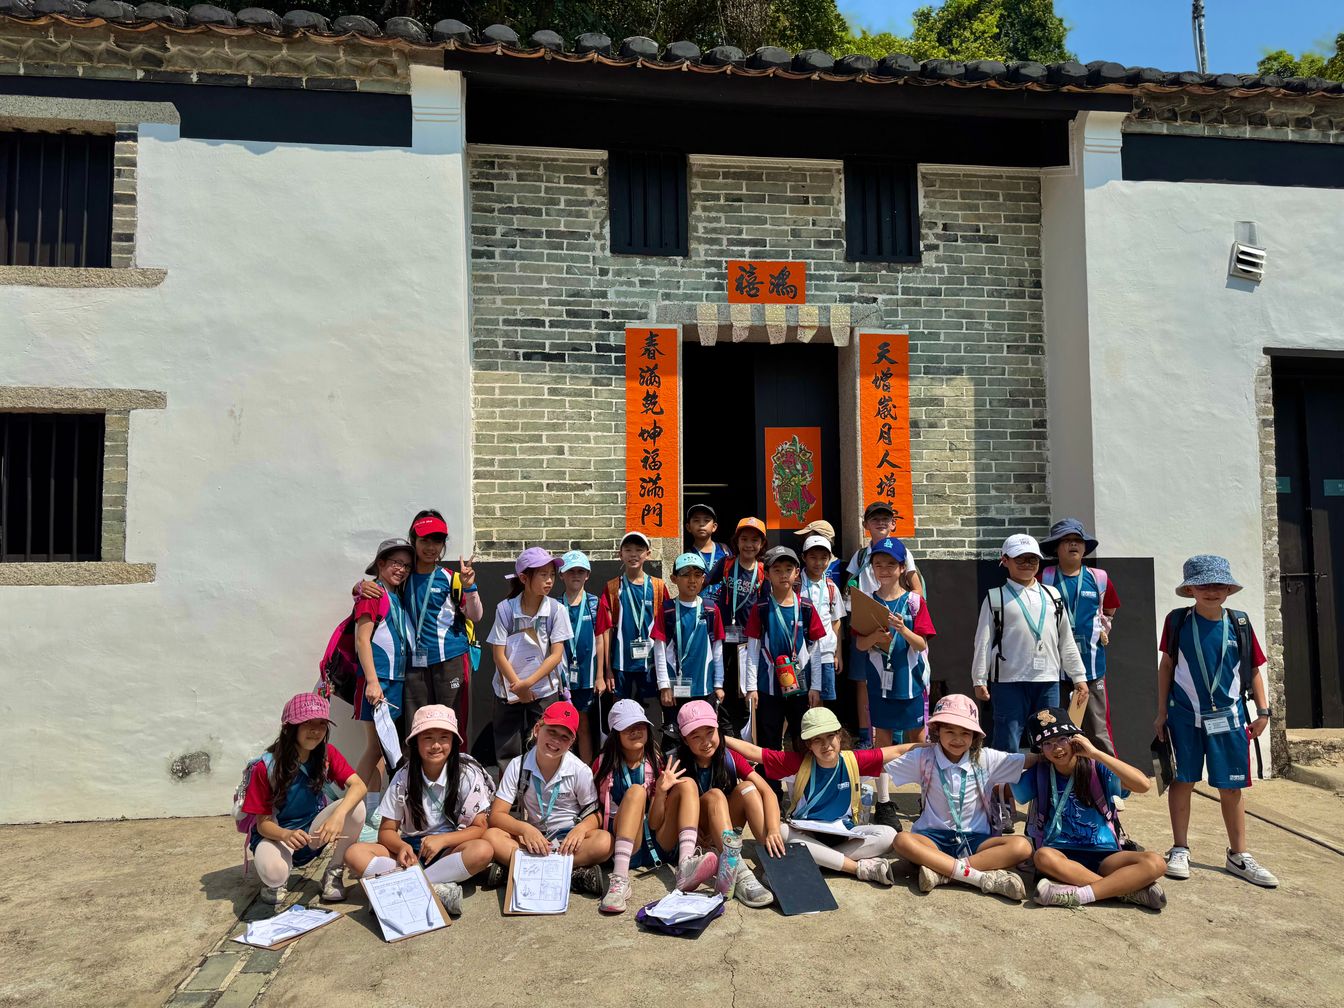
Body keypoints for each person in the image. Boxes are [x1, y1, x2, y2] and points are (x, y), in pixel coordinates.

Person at [1156, 555, 1277, 888]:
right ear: (1191, 589)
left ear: (1228, 589)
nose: (1211, 591)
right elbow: (1166, 667)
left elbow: (1252, 670)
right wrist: (1161, 713)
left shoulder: (1240, 622)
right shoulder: (1177, 621)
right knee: (1182, 780)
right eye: (1204, 584)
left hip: (1229, 717)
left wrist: (1264, 712)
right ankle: (1179, 848)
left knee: (1231, 786)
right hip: (1184, 717)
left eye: (1218, 584)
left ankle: (1239, 855)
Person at [725, 707, 923, 885]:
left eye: (830, 736)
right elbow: (754, 752)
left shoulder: (854, 760)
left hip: (844, 834)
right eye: (817, 740)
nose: (826, 744)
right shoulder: (797, 763)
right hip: (806, 835)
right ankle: (853, 867)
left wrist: (933, 747)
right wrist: (719, 737)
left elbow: (898, 750)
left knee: (888, 835)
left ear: (839, 736)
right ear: (808, 745)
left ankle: (810, 863)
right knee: (781, 831)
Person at [971, 533, 1088, 828]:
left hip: (1048, 679)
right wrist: (979, 677)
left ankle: (1047, 804)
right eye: (1020, 558)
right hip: (1008, 681)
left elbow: (1067, 640)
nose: (1026, 563)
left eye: (1032, 559)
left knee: (1051, 743)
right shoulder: (996, 597)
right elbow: (983, 641)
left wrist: (1079, 676)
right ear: (1005, 561)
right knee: (1006, 745)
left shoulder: (1053, 596)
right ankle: (1002, 804)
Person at [344, 705, 495, 915]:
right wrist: (401, 847)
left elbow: (480, 827)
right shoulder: (402, 778)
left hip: (450, 848)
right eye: (427, 738)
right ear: (415, 742)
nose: (436, 745)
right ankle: (434, 888)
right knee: (354, 854)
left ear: (453, 741)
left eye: (444, 737)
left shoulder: (467, 775)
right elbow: (387, 831)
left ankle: (402, 886)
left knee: (483, 850)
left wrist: (443, 840)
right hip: (411, 851)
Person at [1015, 707, 1167, 910]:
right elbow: (1005, 787)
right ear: (1040, 750)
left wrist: (1096, 753)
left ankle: (1080, 894)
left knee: (1156, 863)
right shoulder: (1040, 773)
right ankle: (1124, 891)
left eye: (1062, 739)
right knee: (1042, 857)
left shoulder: (1096, 767)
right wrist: (1029, 760)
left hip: (1105, 854)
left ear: (1075, 738)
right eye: (1047, 744)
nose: (1057, 748)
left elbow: (1143, 784)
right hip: (1061, 854)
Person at [887, 694, 1035, 900]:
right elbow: (886, 760)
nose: (957, 739)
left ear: (975, 736)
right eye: (950, 732)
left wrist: (1062, 751)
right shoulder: (923, 757)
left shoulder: (986, 758)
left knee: (1022, 846)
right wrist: (912, 747)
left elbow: (1029, 761)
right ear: (937, 731)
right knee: (902, 840)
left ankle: (943, 874)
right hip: (932, 838)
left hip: (976, 840)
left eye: (965, 733)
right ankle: (977, 877)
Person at [592, 699, 718, 913]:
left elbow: (655, 821)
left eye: (640, 726)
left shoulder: (656, 760)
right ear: (616, 733)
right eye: (628, 728)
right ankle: (620, 879)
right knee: (635, 791)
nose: (635, 731)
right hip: (627, 845)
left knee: (687, 783)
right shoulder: (602, 764)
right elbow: (594, 809)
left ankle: (686, 864)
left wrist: (660, 792)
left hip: (656, 841)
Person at [241, 693, 367, 904]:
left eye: (322, 724)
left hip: (312, 835)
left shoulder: (327, 754)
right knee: (274, 874)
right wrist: (286, 834)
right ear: (290, 727)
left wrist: (338, 816)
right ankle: (278, 878)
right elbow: (263, 825)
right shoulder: (265, 767)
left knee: (357, 807)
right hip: (278, 836)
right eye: (307, 723)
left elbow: (359, 785)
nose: (316, 731)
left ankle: (333, 872)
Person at [486, 701, 614, 896]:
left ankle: (521, 869)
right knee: (491, 836)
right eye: (552, 731)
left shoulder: (580, 770)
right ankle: (574, 874)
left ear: (571, 743)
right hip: (533, 839)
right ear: (538, 729)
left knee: (605, 842)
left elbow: (594, 815)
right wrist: (524, 828)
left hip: (567, 843)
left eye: (564, 737)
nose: (556, 741)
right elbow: (496, 815)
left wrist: (581, 829)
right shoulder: (517, 765)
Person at [851, 536, 935, 827]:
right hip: (879, 682)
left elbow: (922, 644)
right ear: (872, 568)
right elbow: (860, 645)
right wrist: (875, 637)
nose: (884, 569)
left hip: (909, 680)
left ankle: (928, 797)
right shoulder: (867, 601)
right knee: (882, 741)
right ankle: (884, 801)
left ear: (902, 568)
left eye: (890, 564)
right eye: (878, 564)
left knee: (919, 740)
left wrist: (903, 629)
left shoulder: (914, 601)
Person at [673, 700, 779, 908]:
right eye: (696, 736)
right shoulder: (676, 764)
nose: (706, 742)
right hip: (699, 835)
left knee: (748, 788)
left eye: (710, 732)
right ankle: (738, 872)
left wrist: (774, 829)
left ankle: (774, 861)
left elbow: (768, 791)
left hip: (724, 832)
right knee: (716, 795)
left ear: (718, 730)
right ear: (685, 740)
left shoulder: (729, 757)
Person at [844, 502, 924, 748]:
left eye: (885, 518)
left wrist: (910, 612)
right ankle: (867, 735)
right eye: (874, 518)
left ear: (893, 523)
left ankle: (897, 737)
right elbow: (850, 588)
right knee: (865, 680)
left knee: (901, 678)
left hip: (898, 621)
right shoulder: (861, 555)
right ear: (865, 524)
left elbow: (916, 587)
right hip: (867, 623)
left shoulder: (903, 552)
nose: (880, 523)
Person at [1040, 518, 1121, 755]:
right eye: (1066, 541)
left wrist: (1103, 627)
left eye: (1077, 540)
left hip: (1092, 668)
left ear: (1085, 547)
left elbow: (1110, 610)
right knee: (1056, 731)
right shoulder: (1044, 577)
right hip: (1054, 669)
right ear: (1056, 547)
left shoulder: (1099, 578)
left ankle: (1111, 782)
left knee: (1098, 730)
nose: (1072, 545)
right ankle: (1065, 782)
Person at [486, 547, 572, 769]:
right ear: (524, 578)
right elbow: (498, 654)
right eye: (543, 575)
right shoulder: (505, 609)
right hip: (508, 691)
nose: (550, 580)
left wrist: (528, 684)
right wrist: (519, 687)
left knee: (544, 742)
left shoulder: (556, 610)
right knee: (507, 748)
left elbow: (556, 655)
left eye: (552, 575)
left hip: (543, 691)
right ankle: (510, 798)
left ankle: (538, 794)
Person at [744, 546, 827, 757]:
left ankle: (802, 784)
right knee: (768, 737)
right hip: (768, 685)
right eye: (777, 570)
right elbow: (752, 651)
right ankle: (771, 788)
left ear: (797, 573)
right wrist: (751, 688)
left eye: (788, 569)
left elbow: (815, 651)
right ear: (768, 574)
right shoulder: (760, 607)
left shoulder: (806, 607)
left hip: (800, 683)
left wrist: (815, 686)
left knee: (803, 737)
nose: (783, 575)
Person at [352, 537, 415, 793]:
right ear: (381, 563)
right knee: (376, 747)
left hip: (396, 683)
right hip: (378, 682)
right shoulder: (372, 594)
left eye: (407, 566)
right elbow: (362, 639)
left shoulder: (396, 597)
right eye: (396, 563)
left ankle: (372, 810)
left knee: (383, 748)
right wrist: (373, 682)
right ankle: (350, 804)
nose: (401, 569)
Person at [596, 531, 668, 729]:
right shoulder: (612, 587)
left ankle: (653, 757)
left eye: (639, 550)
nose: (633, 554)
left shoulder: (658, 587)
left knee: (652, 718)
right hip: (621, 667)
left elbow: (665, 628)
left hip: (650, 667)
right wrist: (608, 670)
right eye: (628, 550)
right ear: (620, 554)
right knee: (622, 718)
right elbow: (606, 630)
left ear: (648, 554)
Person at [706, 516, 768, 733]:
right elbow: (703, 583)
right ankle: (724, 729)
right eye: (744, 539)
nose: (749, 544)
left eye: (754, 540)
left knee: (745, 686)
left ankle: (745, 731)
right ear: (737, 541)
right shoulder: (726, 563)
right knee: (722, 683)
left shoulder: (763, 570)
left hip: (749, 639)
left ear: (762, 545)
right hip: (724, 635)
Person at [653, 553, 726, 735]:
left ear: (703, 579)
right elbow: (660, 650)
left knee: (704, 733)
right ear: (674, 579)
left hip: (705, 687)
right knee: (675, 736)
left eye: (697, 575)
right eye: (685, 575)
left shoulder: (711, 609)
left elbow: (717, 649)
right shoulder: (668, 609)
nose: (691, 580)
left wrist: (718, 684)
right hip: (674, 689)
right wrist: (664, 686)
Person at [558, 550, 604, 764]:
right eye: (571, 571)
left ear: (587, 575)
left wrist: (600, 676)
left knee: (584, 725)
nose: (575, 575)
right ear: (562, 575)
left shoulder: (595, 604)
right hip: (562, 678)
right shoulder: (555, 606)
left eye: (580, 571)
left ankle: (586, 772)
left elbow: (600, 639)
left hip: (587, 676)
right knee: (562, 726)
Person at [799, 534, 844, 713]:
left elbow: (836, 622)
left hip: (825, 651)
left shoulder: (831, 587)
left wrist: (837, 653)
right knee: (796, 696)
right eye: (813, 557)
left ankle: (817, 738)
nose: (818, 563)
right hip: (799, 650)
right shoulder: (795, 584)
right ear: (803, 558)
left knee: (820, 701)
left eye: (823, 558)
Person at [685, 503, 731, 584]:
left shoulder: (724, 550)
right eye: (696, 520)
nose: (701, 524)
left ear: (714, 527)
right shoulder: (687, 555)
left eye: (706, 520)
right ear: (688, 527)